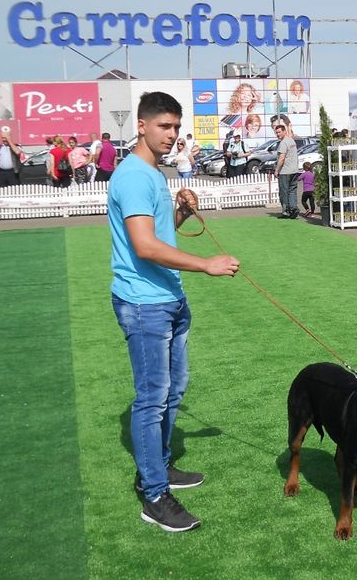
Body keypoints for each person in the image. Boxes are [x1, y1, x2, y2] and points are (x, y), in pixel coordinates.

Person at [107, 91, 240, 532]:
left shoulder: (154, 174)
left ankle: (161, 469)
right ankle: (153, 494)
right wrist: (206, 264)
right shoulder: (132, 177)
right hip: (144, 305)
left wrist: (179, 213)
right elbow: (143, 248)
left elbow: (159, 235)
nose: (172, 135)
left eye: (176, 128)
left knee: (173, 390)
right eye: (164, 126)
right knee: (151, 399)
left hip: (168, 299)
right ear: (141, 126)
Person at [274, 124, 299, 219]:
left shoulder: (283, 143)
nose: (278, 134)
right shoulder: (291, 141)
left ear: (284, 131)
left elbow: (281, 158)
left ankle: (286, 211)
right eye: (276, 132)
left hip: (285, 171)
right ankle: (293, 208)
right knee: (292, 191)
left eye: (279, 132)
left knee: (284, 192)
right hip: (294, 170)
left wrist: (277, 170)